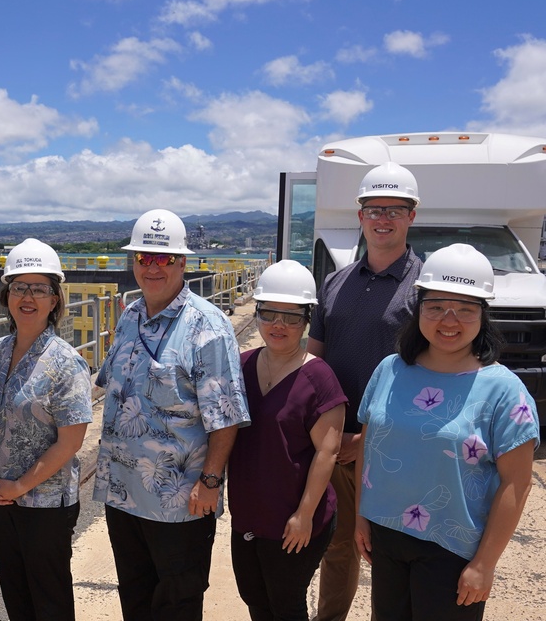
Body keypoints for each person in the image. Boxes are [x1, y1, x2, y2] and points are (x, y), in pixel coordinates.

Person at [354, 243, 539, 620]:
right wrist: (361, 516)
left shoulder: (503, 390)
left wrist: (485, 563)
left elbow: (516, 484)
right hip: (386, 535)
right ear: (418, 308)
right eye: (436, 306)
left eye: (465, 309)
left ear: (484, 315)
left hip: (453, 548)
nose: (448, 320)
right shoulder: (389, 370)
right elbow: (368, 447)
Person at [93, 208, 250, 621]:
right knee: (136, 597)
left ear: (183, 262)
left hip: (179, 501)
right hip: (123, 492)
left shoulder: (207, 326)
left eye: (164, 259)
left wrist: (211, 481)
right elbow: (105, 383)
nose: (153, 267)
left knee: (177, 604)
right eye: (144, 258)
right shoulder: (129, 316)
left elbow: (227, 415)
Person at [307, 161, 424, 621]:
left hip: (396, 445)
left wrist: (369, 437)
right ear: (360, 216)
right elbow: (314, 362)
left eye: (396, 209)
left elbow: (426, 377)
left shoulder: (424, 290)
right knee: (339, 545)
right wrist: (325, 434)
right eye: (374, 208)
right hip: (335, 441)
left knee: (396, 550)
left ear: (412, 216)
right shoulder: (335, 283)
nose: (383, 218)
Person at [0, 239, 93, 621]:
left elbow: (72, 441)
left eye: (39, 289)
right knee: (16, 596)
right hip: (0, 497)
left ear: (54, 300)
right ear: (7, 295)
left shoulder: (65, 362)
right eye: (20, 287)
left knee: (49, 600)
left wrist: (19, 487)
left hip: (44, 504)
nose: (28, 297)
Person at [228, 260, 346, 621]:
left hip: (294, 517)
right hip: (248, 514)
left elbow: (328, 452)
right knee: (254, 597)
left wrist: (304, 516)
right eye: (269, 314)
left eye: (292, 317)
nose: (278, 324)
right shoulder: (241, 365)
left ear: (307, 320)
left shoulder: (319, 378)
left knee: (286, 603)